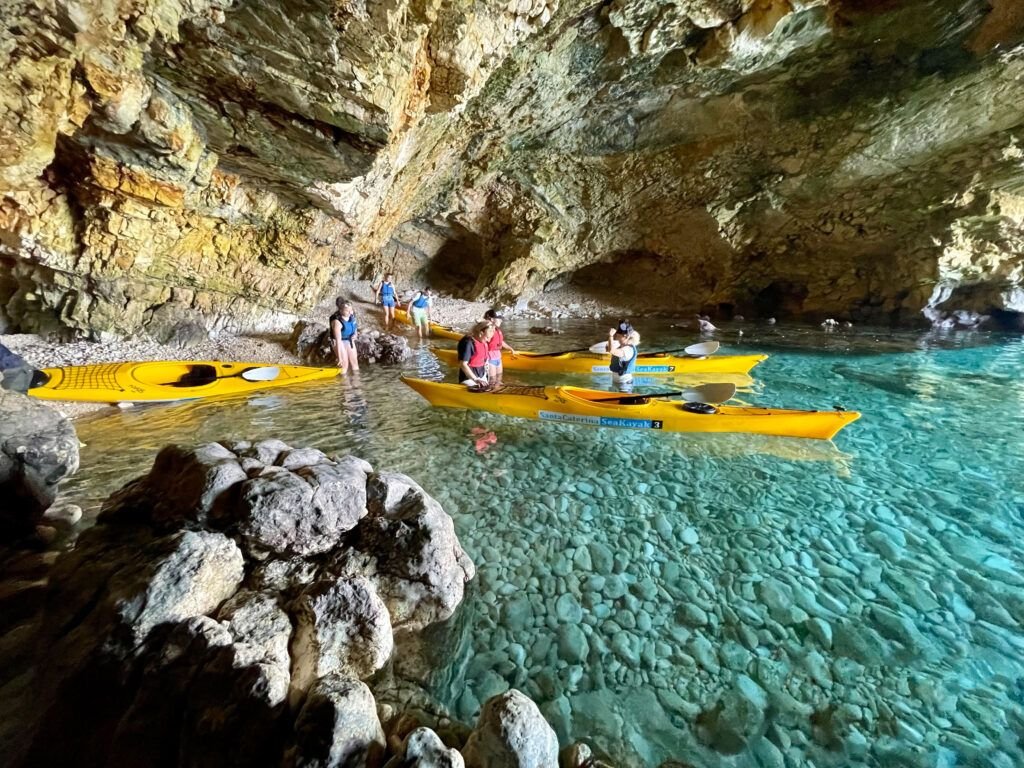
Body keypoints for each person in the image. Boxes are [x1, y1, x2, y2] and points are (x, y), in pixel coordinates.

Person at [483, 309, 517, 386]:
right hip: (490, 358)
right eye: (499, 319)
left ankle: (498, 390)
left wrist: (510, 348)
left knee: (499, 377)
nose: (501, 321)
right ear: (491, 319)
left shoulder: (497, 330)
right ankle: (491, 394)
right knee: (492, 380)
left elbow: (500, 342)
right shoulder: (487, 330)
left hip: (498, 357)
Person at [457, 321, 494, 387]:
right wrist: (475, 379)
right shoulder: (467, 343)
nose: (489, 341)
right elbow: (463, 364)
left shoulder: (482, 340)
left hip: (482, 375)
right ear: (481, 333)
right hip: (469, 379)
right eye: (487, 338)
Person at [606, 320, 640, 390]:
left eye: (618, 336)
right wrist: (608, 346)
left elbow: (611, 351)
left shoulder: (628, 350)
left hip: (625, 385)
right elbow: (610, 350)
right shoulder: (621, 347)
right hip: (616, 382)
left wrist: (610, 336)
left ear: (626, 337)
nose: (617, 338)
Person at [329, 298, 359, 374]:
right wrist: (339, 358)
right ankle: (345, 384)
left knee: (354, 363)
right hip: (339, 341)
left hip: (348, 340)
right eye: (347, 311)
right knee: (344, 364)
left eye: (351, 310)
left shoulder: (352, 316)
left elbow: (354, 327)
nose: (350, 312)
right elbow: (338, 341)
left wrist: (355, 334)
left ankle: (357, 383)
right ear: (341, 311)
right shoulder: (337, 322)